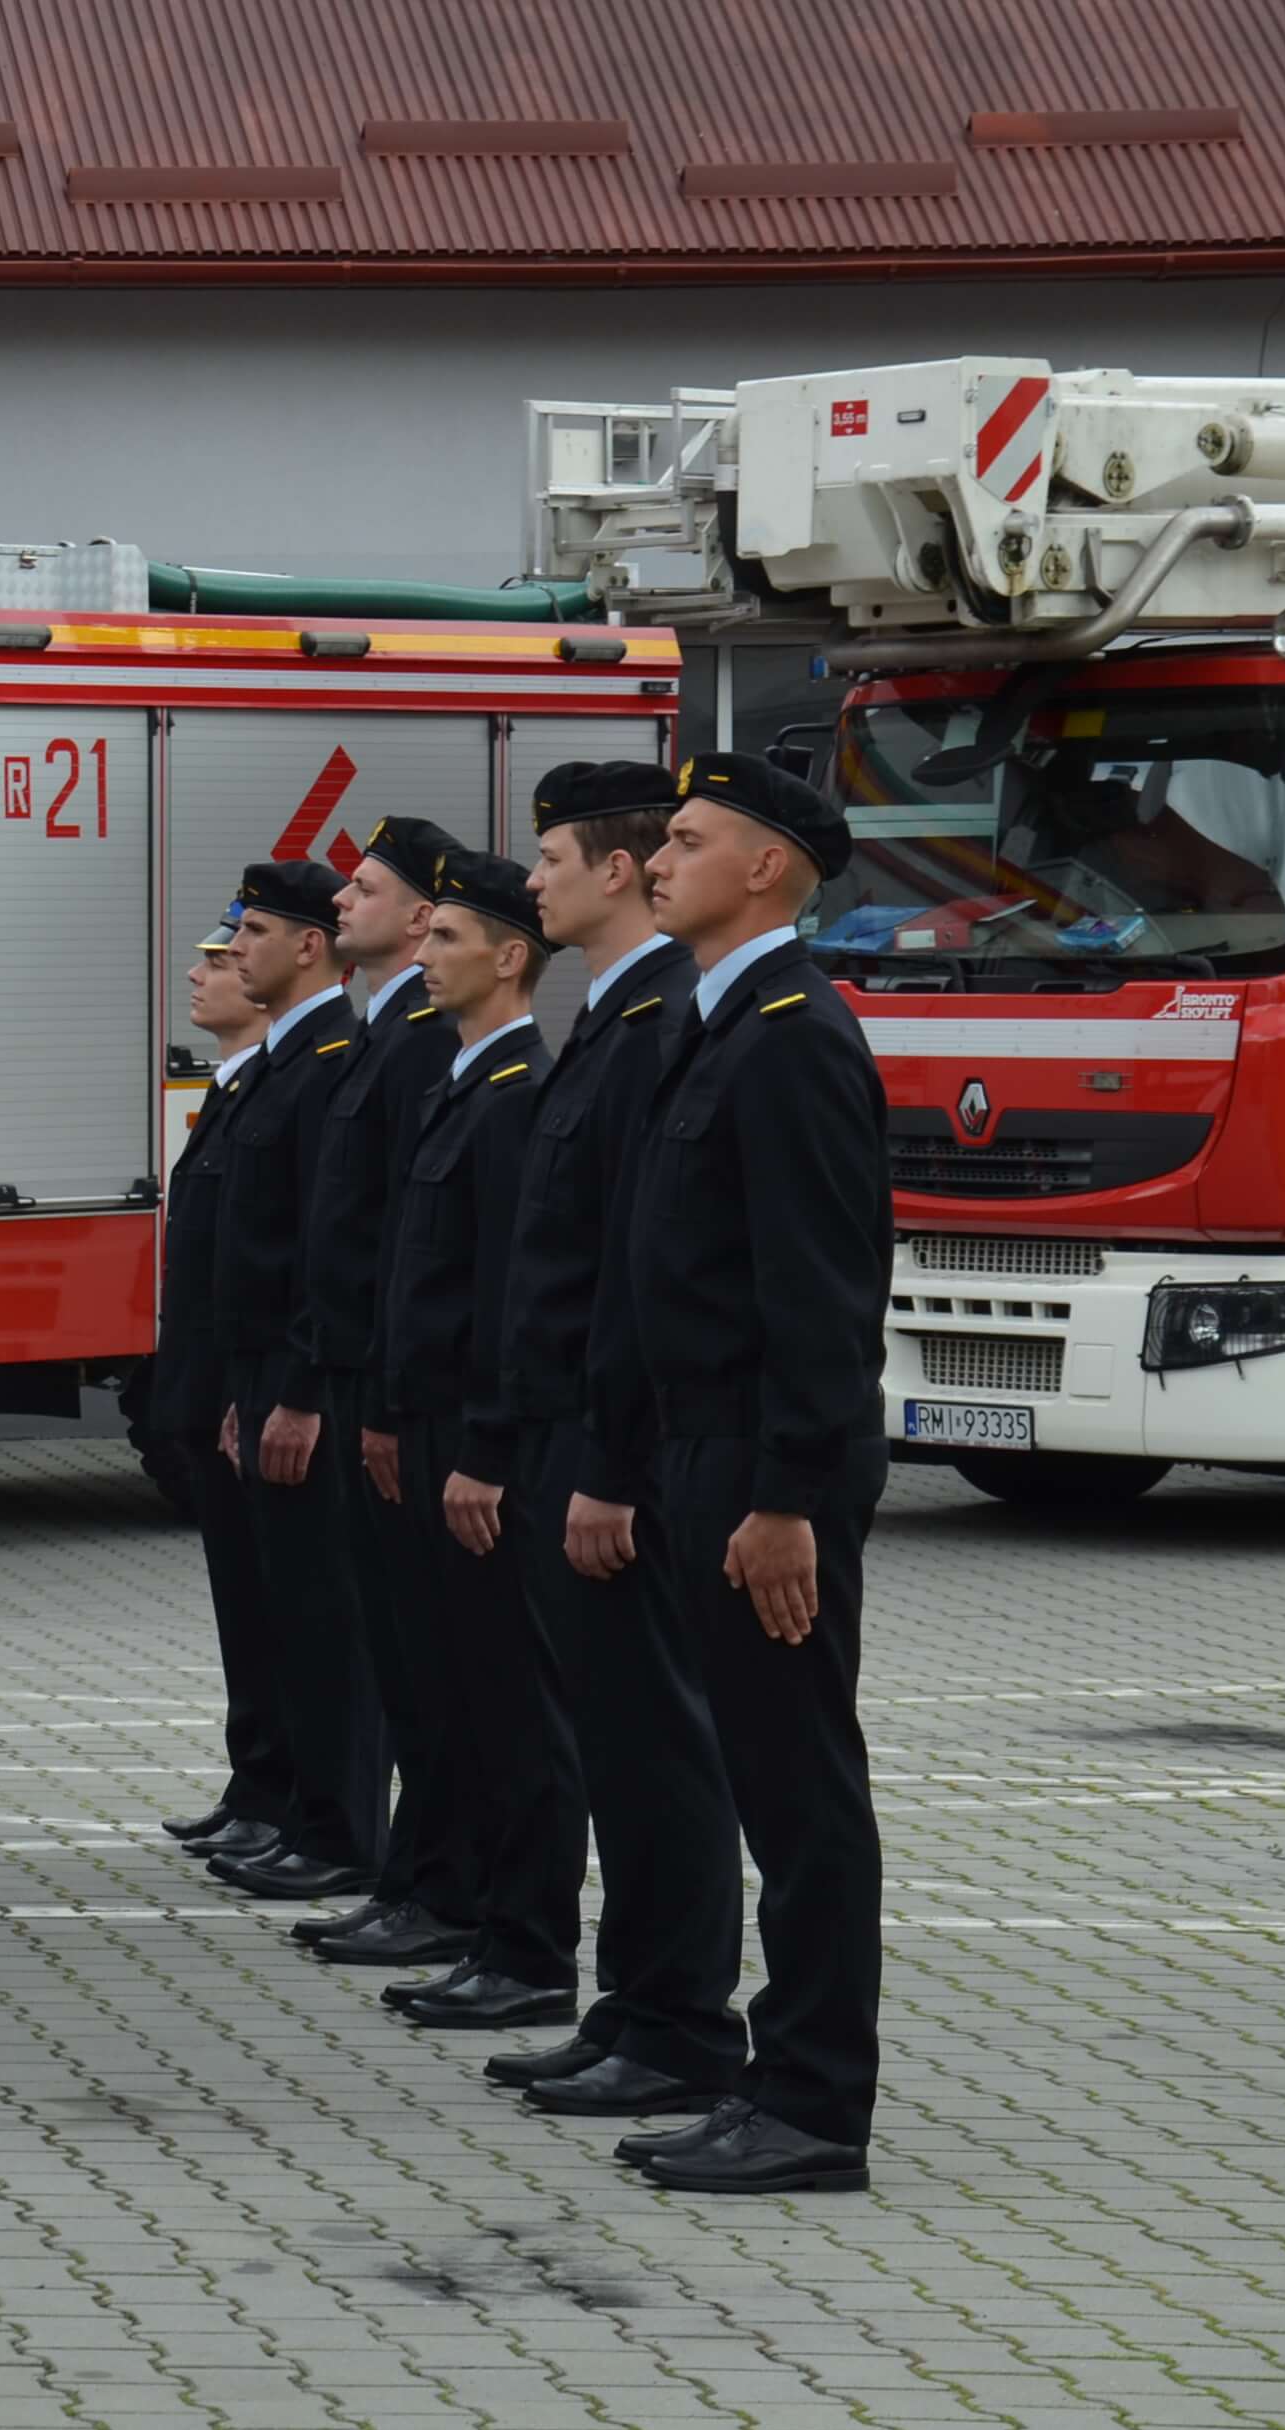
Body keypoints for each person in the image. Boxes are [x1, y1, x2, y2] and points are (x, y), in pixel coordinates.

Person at [612, 752, 892, 2197]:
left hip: (764, 1470)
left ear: (767, 867)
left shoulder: (790, 1037)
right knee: (759, 1771)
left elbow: (823, 1292)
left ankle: (815, 2109)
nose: (658, 859)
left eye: (687, 838)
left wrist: (785, 1497)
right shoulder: (713, 1021)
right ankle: (773, 2086)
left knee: (799, 1790)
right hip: (703, 1452)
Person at [486, 763, 743, 2121]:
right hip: (560, 1433)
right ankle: (633, 2003)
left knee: (654, 1747)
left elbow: (637, 1274)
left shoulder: (659, 1022)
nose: (531, 882)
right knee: (616, 1742)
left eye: (550, 858)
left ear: (620, 871)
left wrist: (604, 1463)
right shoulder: (614, 1011)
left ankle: (682, 2024)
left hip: (607, 1450)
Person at [363, 848, 566, 2033]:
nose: (422, 958)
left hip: (479, 1438)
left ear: (508, 957)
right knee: (456, 1691)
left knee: (512, 1706)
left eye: (445, 940)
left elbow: (506, 1302)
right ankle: (486, 1923)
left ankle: (530, 1945)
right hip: (434, 1424)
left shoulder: (515, 1095)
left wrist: (485, 1449)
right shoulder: (459, 1084)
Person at [296, 817, 481, 1972]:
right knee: (409, 1656)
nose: (341, 905)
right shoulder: (396, 1029)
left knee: (439, 1663)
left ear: (422, 919)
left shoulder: (424, 1039)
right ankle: (420, 1878)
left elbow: (411, 1236)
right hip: (374, 1377)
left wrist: (369, 1391)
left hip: (405, 1389)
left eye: (363, 890)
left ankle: (444, 1888)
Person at [194, 858, 382, 1898]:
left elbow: (329, 1249)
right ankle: (293, 1810)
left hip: (301, 1377)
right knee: (281, 1611)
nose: (234, 953)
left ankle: (338, 1828)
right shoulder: (287, 1065)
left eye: (253, 933)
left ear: (308, 948)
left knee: (324, 1616)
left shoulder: (327, 1063)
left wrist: (302, 1387)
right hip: (261, 1372)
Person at [152, 908, 295, 1854]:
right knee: (244, 1610)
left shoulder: (288, 1084)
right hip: (214, 1391)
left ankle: (290, 1798)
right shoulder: (236, 1086)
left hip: (249, 1391)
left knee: (280, 1612)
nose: (207, 973)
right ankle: (257, 1785)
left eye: (224, 957)